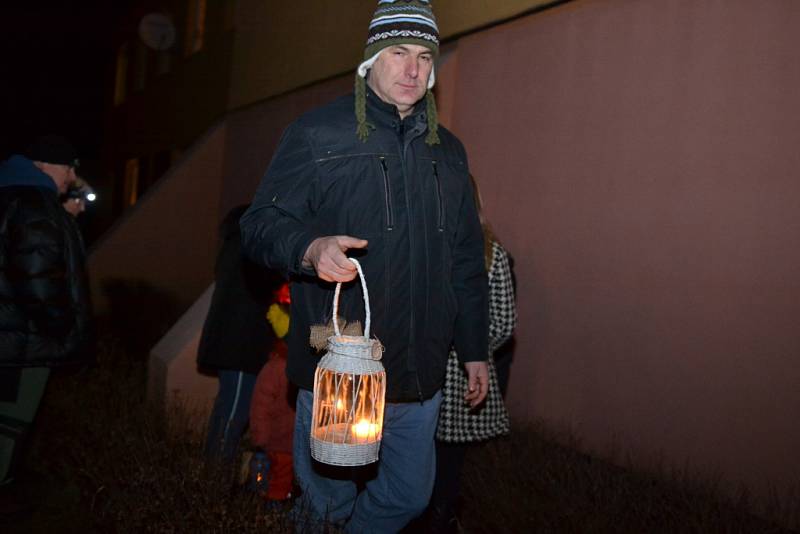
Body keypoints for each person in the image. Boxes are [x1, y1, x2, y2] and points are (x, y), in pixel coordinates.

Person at [240, 2, 489, 531]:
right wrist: (310, 248)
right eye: (398, 53)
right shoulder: (317, 134)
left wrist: (473, 350)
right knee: (328, 502)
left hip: (419, 372)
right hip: (345, 367)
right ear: (370, 60)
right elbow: (259, 224)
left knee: (407, 497)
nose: (413, 69)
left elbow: (466, 260)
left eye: (424, 56)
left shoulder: (449, 152)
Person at [0, 135, 92, 515]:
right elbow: (39, 280)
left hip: (10, 341)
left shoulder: (12, 197)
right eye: (66, 166)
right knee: (9, 432)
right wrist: (60, 330)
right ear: (40, 166)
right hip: (24, 349)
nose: (72, 176)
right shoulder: (33, 205)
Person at [426, 174, 517, 532]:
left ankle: (439, 521)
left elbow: (504, 320)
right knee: (423, 471)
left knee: (439, 472)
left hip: (459, 382)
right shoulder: (424, 248)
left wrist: (463, 349)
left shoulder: (489, 253)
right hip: (442, 380)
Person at [197, 204, 284, 463]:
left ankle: (213, 474)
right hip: (239, 345)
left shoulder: (238, 241)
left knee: (231, 411)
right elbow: (258, 289)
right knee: (233, 413)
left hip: (237, 343)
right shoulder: (249, 246)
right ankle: (213, 480)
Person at [249, 292, 296, 501]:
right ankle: (271, 516)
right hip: (279, 443)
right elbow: (260, 407)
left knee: (282, 483)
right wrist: (260, 440)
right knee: (276, 484)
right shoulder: (276, 368)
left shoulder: (295, 367)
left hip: (291, 443)